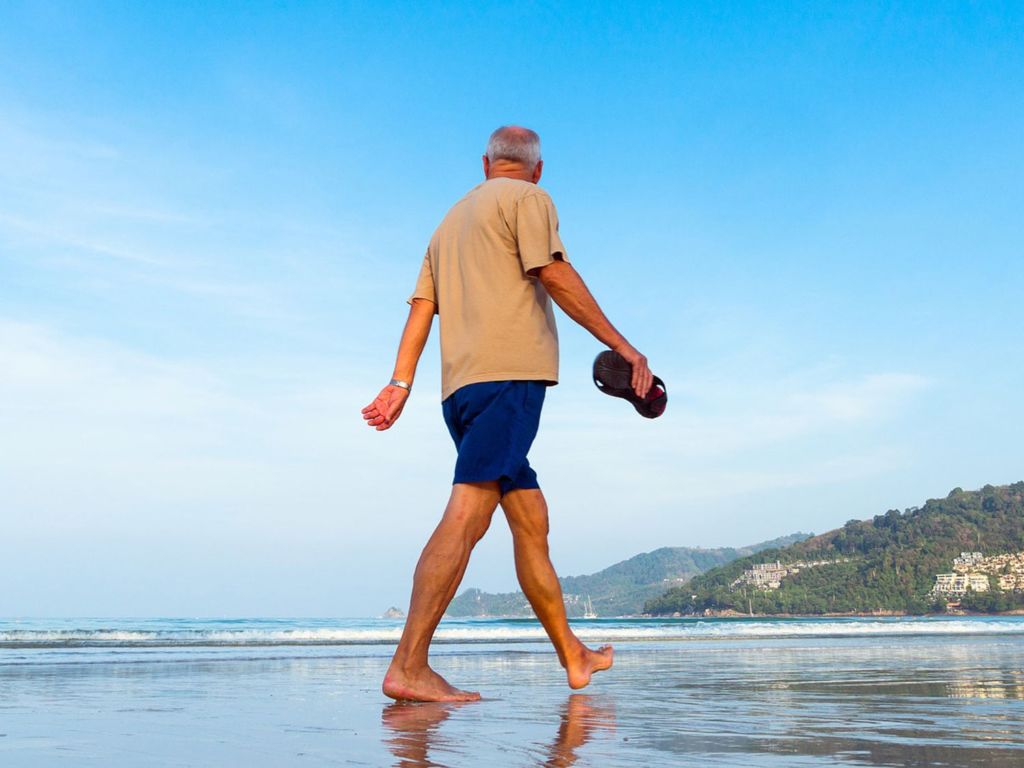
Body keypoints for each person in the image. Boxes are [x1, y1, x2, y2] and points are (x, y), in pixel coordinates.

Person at [362, 126, 653, 702]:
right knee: (469, 515)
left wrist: (400, 382)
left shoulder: (447, 225)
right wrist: (625, 347)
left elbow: (423, 310)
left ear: (486, 163)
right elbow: (553, 273)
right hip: (509, 380)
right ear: (537, 169)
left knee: (529, 519)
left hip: (460, 392)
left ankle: (573, 654)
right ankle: (408, 666)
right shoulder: (531, 200)